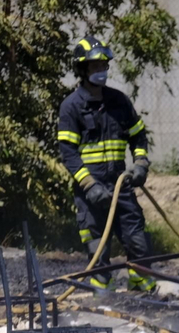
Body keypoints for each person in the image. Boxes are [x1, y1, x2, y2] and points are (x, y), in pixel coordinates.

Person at [56, 37, 156, 291]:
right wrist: (89, 185)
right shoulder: (71, 108)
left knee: (137, 239)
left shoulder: (119, 102)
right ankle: (102, 294)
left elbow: (138, 136)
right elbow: (68, 153)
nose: (101, 72)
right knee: (97, 245)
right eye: (94, 67)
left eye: (103, 66)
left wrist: (141, 163)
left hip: (120, 185)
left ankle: (142, 285)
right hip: (91, 191)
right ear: (82, 70)